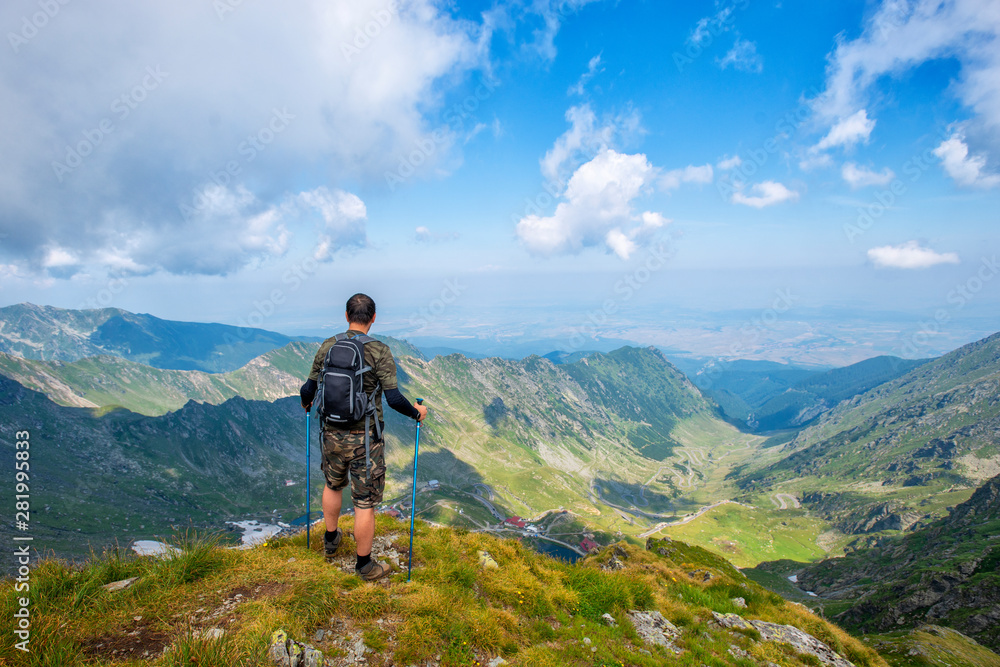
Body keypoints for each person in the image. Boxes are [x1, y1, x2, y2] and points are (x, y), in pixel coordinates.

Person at [300, 293, 427, 580]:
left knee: (333, 486)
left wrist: (306, 404)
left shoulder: (328, 346)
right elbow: (394, 398)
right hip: (365, 441)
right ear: (372, 319)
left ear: (346, 316)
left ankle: (331, 540)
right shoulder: (379, 351)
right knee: (364, 502)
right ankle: (364, 565)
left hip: (330, 433)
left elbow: (308, 390)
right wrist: (417, 413)